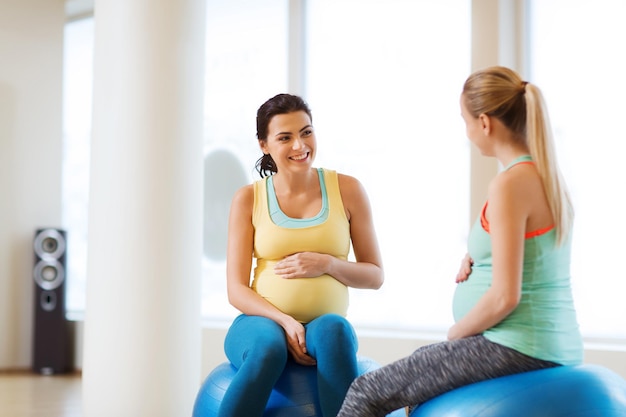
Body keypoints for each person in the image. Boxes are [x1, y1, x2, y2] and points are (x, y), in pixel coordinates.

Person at [336, 66, 583, 417]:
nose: (466, 132)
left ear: (484, 123)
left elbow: (504, 296)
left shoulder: (510, 184)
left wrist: (457, 332)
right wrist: (479, 256)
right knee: (420, 373)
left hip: (517, 345)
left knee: (366, 391)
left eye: (465, 120)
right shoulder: (545, 177)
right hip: (549, 341)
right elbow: (531, 255)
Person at [219, 93, 384, 417]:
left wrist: (328, 263)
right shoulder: (248, 199)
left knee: (335, 332)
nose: (300, 145)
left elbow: (375, 275)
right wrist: (284, 321)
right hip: (261, 323)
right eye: (285, 137)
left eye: (306, 132)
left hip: (324, 323)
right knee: (269, 349)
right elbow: (235, 289)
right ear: (264, 145)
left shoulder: (347, 189)